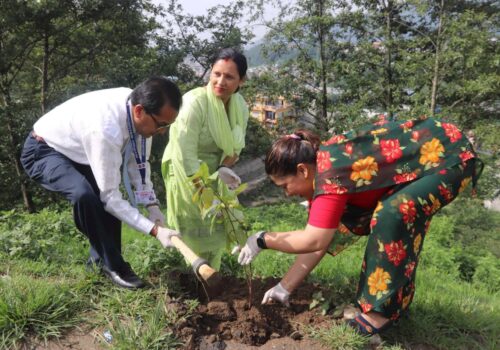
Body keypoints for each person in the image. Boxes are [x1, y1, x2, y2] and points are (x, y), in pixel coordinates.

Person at [235, 116, 483, 335]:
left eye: (284, 186)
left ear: (302, 170)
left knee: (392, 213)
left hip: (448, 156)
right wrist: (283, 287)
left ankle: (381, 313)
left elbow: (314, 239)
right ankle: (391, 302)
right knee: (389, 213)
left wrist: (262, 239)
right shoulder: (321, 176)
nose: (287, 194)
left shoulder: (330, 176)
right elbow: (319, 240)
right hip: (432, 155)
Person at [20, 76, 183, 289]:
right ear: (139, 111)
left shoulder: (139, 112)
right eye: (161, 124)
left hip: (79, 150)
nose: (162, 131)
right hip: (43, 150)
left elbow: (139, 166)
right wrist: (154, 230)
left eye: (168, 125)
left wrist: (152, 206)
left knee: (103, 192)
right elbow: (111, 199)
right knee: (85, 195)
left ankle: (98, 266)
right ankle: (114, 266)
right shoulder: (105, 130)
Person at [162, 48, 249, 269]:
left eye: (229, 77)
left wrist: (224, 168)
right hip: (186, 171)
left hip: (215, 172)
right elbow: (184, 153)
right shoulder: (194, 103)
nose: (221, 81)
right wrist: (202, 190)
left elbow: (236, 144)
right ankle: (188, 274)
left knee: (216, 225)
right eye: (216, 73)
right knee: (192, 224)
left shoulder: (240, 106)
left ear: (242, 80)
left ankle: (214, 273)